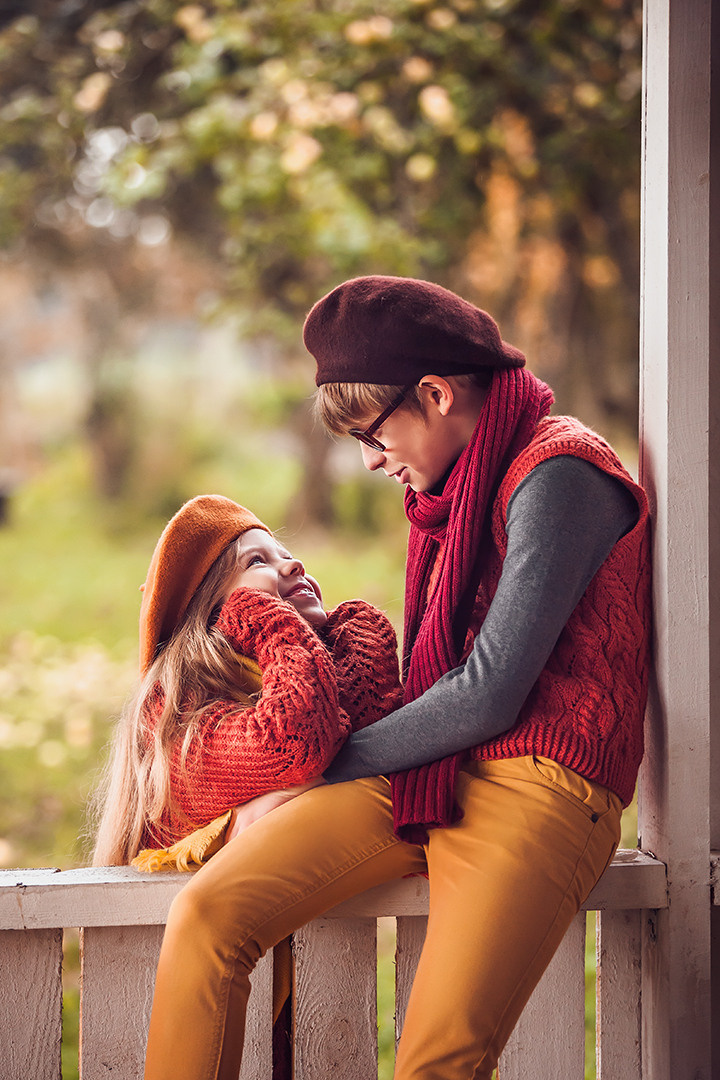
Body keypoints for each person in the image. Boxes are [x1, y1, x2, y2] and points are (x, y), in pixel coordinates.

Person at [143, 277, 650, 1080]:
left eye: (373, 436)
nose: (373, 461)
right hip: (432, 768)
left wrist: (314, 771)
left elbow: (489, 689)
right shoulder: (449, 492)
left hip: (541, 778)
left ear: (438, 394)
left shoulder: (562, 473)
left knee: (435, 1063)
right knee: (207, 917)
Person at [92, 493, 403, 868]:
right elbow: (297, 744)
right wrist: (271, 620)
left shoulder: (312, 670)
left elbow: (372, 744)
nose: (295, 565)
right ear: (214, 610)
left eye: (286, 554)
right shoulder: (175, 712)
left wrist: (357, 636)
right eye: (258, 561)